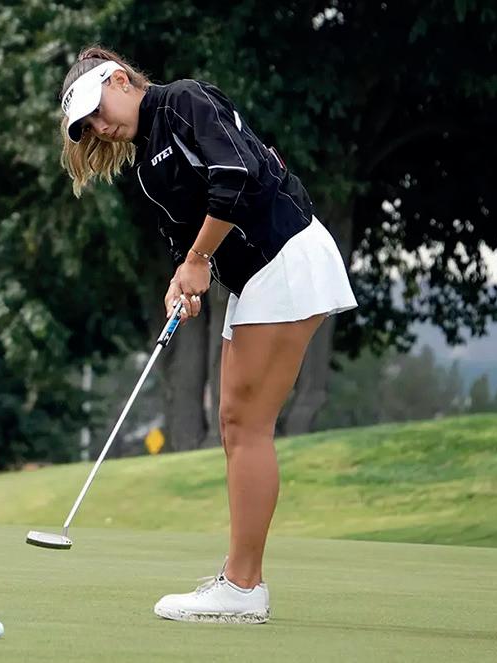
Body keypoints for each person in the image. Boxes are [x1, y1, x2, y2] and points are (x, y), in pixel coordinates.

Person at [58, 46, 358, 624]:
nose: (99, 127)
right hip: (256, 276)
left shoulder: (183, 101)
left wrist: (198, 261)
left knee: (245, 425)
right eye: (88, 126)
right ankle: (242, 582)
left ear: (119, 80)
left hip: (284, 256)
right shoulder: (148, 168)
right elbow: (188, 237)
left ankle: (243, 588)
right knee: (234, 423)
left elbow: (235, 175)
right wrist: (184, 277)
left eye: (98, 111)